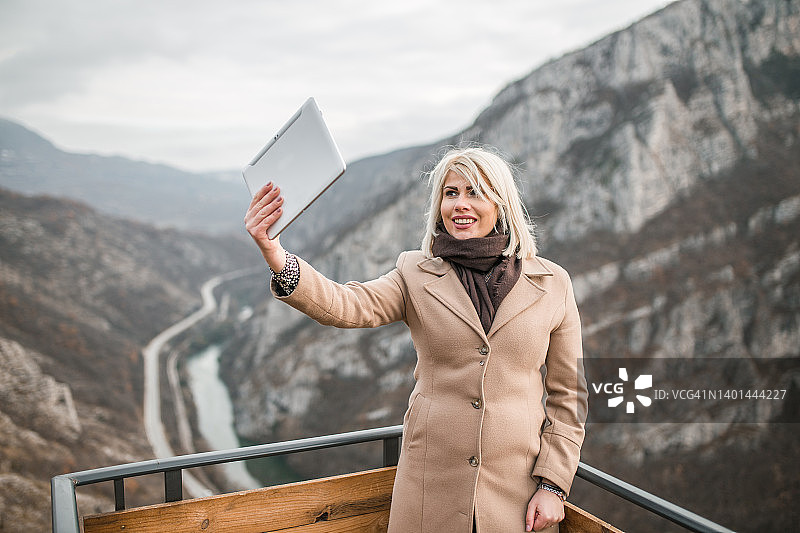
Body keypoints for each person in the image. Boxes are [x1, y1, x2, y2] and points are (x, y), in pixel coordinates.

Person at [245, 146, 588, 533]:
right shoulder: (415, 273)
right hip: (430, 489)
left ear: (500, 203)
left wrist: (553, 485)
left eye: (474, 191)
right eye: (450, 192)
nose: (460, 204)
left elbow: (569, 396)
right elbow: (347, 305)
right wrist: (275, 253)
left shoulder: (552, 283)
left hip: (518, 495)